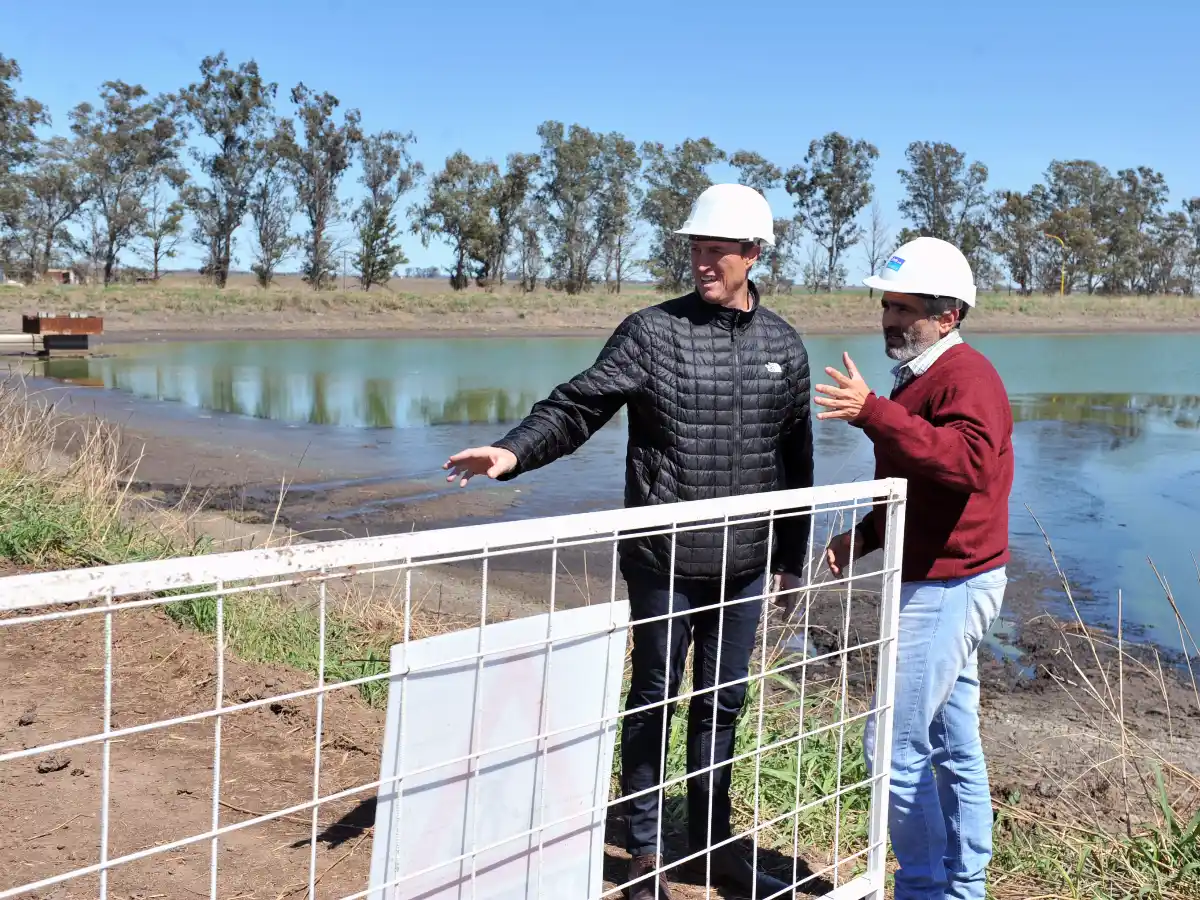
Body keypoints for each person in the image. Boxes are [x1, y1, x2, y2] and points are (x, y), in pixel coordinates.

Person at [443, 183, 814, 900]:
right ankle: (645, 857)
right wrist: (514, 452)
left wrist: (790, 556)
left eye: (717, 251)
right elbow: (579, 404)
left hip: (744, 565)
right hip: (663, 559)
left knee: (724, 702)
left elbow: (795, 459)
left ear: (754, 254)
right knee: (653, 696)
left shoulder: (783, 345)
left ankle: (711, 843)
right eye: (695, 250)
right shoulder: (650, 332)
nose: (703, 263)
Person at [814, 236, 1013, 900]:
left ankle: (925, 891)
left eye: (905, 308)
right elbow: (918, 481)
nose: (889, 319)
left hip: (949, 585)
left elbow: (968, 465)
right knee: (953, 750)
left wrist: (873, 412)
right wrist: (863, 538)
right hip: (938, 577)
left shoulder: (967, 376)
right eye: (886, 305)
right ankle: (962, 889)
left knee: (892, 752)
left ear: (948, 314)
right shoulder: (921, 379)